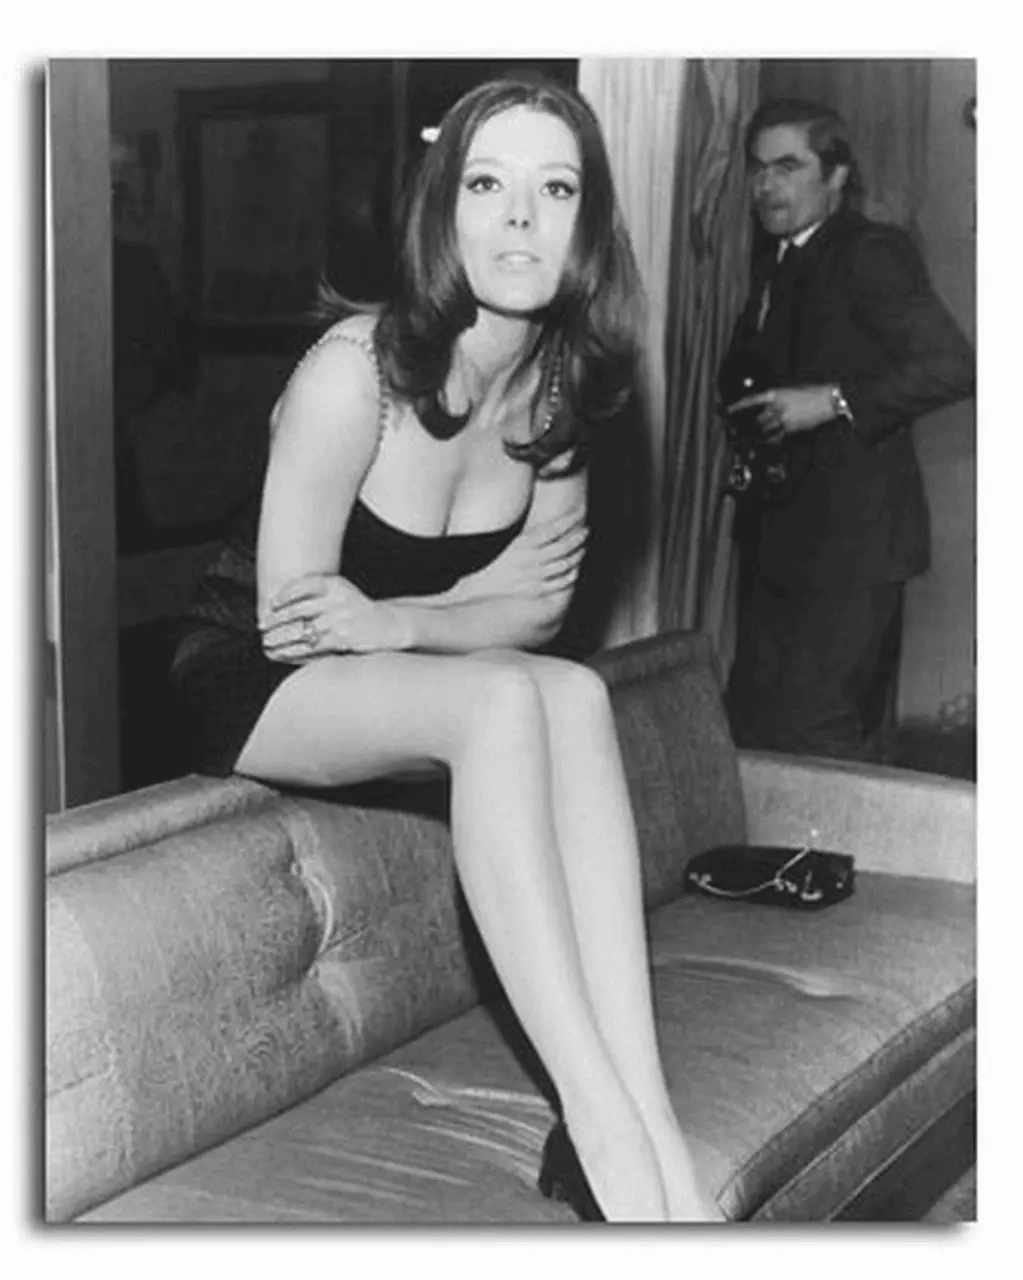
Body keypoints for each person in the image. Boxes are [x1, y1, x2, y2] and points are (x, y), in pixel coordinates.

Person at [171, 76, 720, 1224]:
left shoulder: (559, 388)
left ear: (589, 226)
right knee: (503, 704)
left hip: (395, 659)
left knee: (572, 693)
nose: (519, 214)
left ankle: (649, 1114)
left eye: (555, 188)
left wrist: (410, 620)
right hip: (254, 673)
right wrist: (462, 610)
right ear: (443, 212)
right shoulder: (352, 372)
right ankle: (603, 1122)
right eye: (486, 182)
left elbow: (538, 615)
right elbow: (294, 619)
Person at [719, 98, 975, 762]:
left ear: (835, 176)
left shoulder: (869, 252)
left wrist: (831, 401)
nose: (765, 185)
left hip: (854, 550)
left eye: (787, 167)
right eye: (757, 169)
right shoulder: (779, 258)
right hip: (781, 541)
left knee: (820, 737)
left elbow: (952, 366)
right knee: (758, 727)